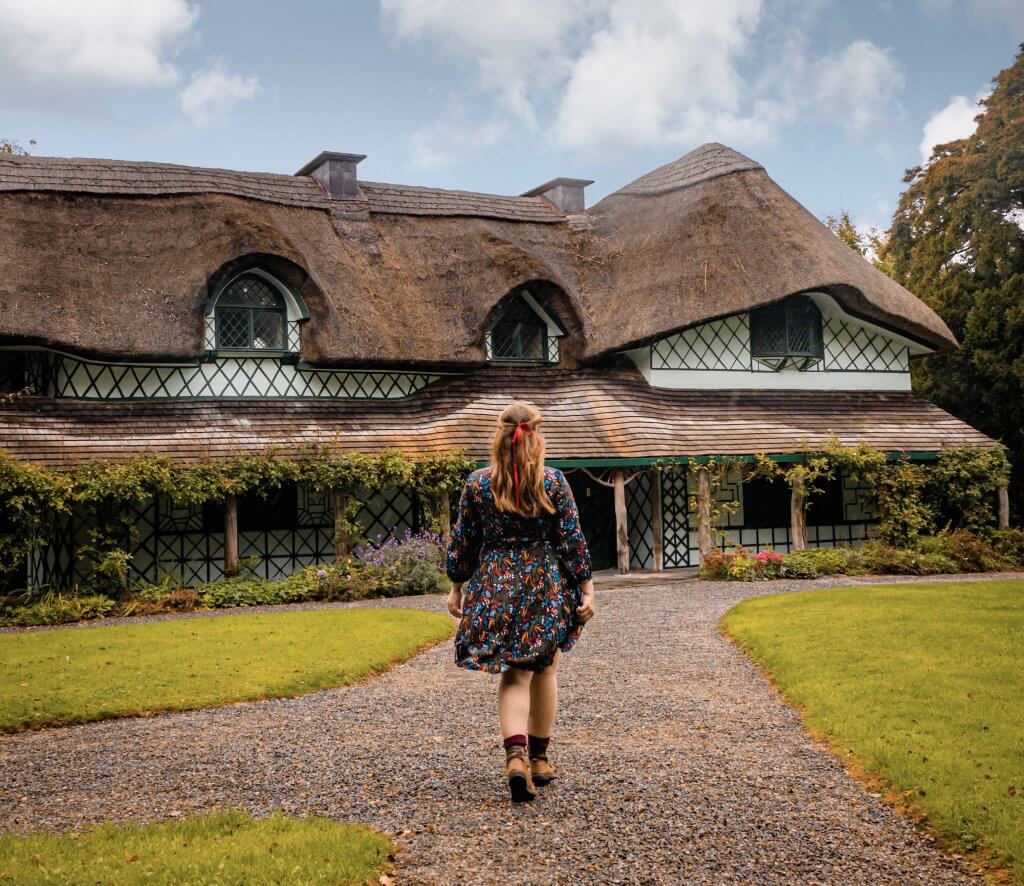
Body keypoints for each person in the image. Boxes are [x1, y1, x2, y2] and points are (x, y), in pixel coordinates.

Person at [445, 401, 596, 803]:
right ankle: (541, 760)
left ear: (499, 434)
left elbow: (463, 540)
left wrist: (457, 585)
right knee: (544, 670)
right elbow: (571, 539)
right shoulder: (553, 481)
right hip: (542, 582)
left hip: (494, 582)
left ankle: (516, 757)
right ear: (536, 433)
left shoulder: (478, 483)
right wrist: (587, 587)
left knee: (514, 672)